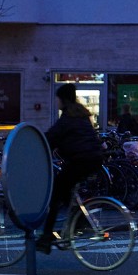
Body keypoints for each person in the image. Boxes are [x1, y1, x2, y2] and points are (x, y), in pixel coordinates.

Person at [37, 83, 104, 254]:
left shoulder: (67, 119)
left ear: (63, 99)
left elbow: (50, 138)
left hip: (80, 161)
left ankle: (46, 238)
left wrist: (35, 145)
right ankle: (77, 221)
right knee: (66, 190)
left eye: (58, 98)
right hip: (92, 159)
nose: (56, 102)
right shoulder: (81, 114)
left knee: (55, 195)